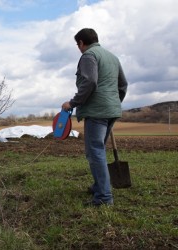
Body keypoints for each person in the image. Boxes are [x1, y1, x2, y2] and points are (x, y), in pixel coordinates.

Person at [61, 28, 128, 207]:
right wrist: (113, 103)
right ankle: (99, 186)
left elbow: (90, 81)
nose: (78, 48)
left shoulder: (88, 56)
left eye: (78, 44)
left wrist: (73, 103)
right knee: (98, 150)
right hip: (111, 110)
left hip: (96, 111)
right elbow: (123, 85)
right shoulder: (113, 57)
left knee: (95, 153)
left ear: (82, 43)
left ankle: (104, 198)